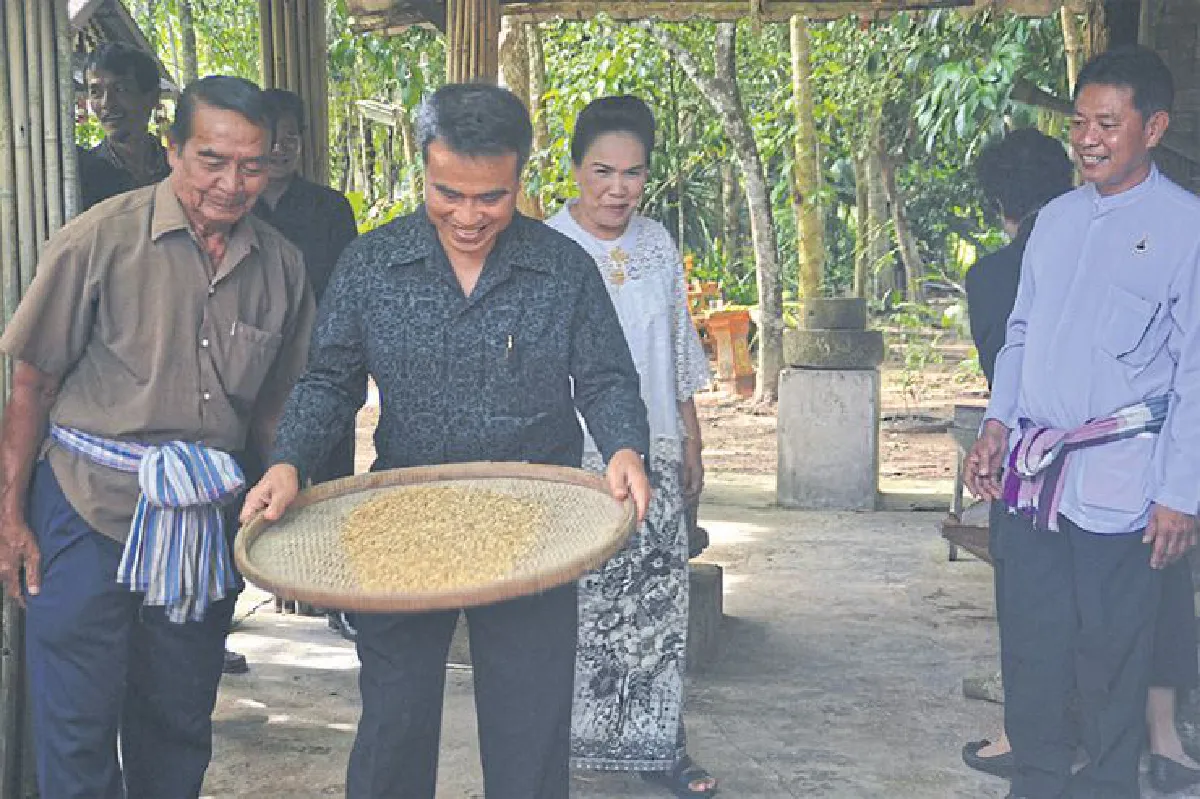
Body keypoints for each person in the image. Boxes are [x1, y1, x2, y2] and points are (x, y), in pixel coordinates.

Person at [240, 83, 652, 799]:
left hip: (536, 523)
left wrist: (624, 446)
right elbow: (330, 381)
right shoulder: (373, 264)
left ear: (521, 176)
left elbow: (608, 378)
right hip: (404, 522)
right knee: (393, 722)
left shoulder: (562, 270)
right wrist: (289, 460)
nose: (467, 215)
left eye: (489, 197)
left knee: (529, 728)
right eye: (447, 193)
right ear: (422, 168)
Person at [0, 75, 315, 798]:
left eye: (253, 164)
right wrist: (10, 516)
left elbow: (276, 409)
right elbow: (32, 384)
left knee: (178, 716)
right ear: (171, 149)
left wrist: (285, 497)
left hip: (202, 520)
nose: (232, 182)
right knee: (76, 721)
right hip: (84, 509)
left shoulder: (282, 266)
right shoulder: (98, 240)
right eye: (212, 158)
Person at [965, 46, 1200, 799]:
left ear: (1154, 127)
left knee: (1111, 657)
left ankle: (1106, 788)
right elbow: (1022, 333)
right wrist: (999, 423)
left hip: (1125, 485)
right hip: (1036, 477)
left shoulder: (1186, 228)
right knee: (1033, 647)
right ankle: (1033, 784)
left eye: (1108, 122)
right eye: (1078, 122)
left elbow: (1196, 371)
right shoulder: (1057, 222)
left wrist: (1181, 493)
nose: (1088, 138)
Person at [545, 95, 717, 799]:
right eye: (603, 171)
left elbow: (675, 351)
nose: (618, 188)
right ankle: (559, 745)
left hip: (655, 452)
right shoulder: (548, 247)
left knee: (657, 605)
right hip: (574, 457)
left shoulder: (658, 244)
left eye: (634, 173)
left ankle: (659, 745)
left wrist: (692, 438)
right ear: (576, 169)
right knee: (578, 607)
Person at [254, 88, 360, 639]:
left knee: (332, 476)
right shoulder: (238, 206)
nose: (281, 146)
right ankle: (280, 580)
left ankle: (337, 591)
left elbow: (351, 290)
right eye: (272, 135)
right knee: (261, 476)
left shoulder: (328, 208)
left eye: (292, 135)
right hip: (252, 371)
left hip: (325, 365)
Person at [78, 43, 170, 211]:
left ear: (152, 97)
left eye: (120, 89)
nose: (107, 103)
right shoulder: (83, 175)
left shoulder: (176, 169)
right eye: (96, 92)